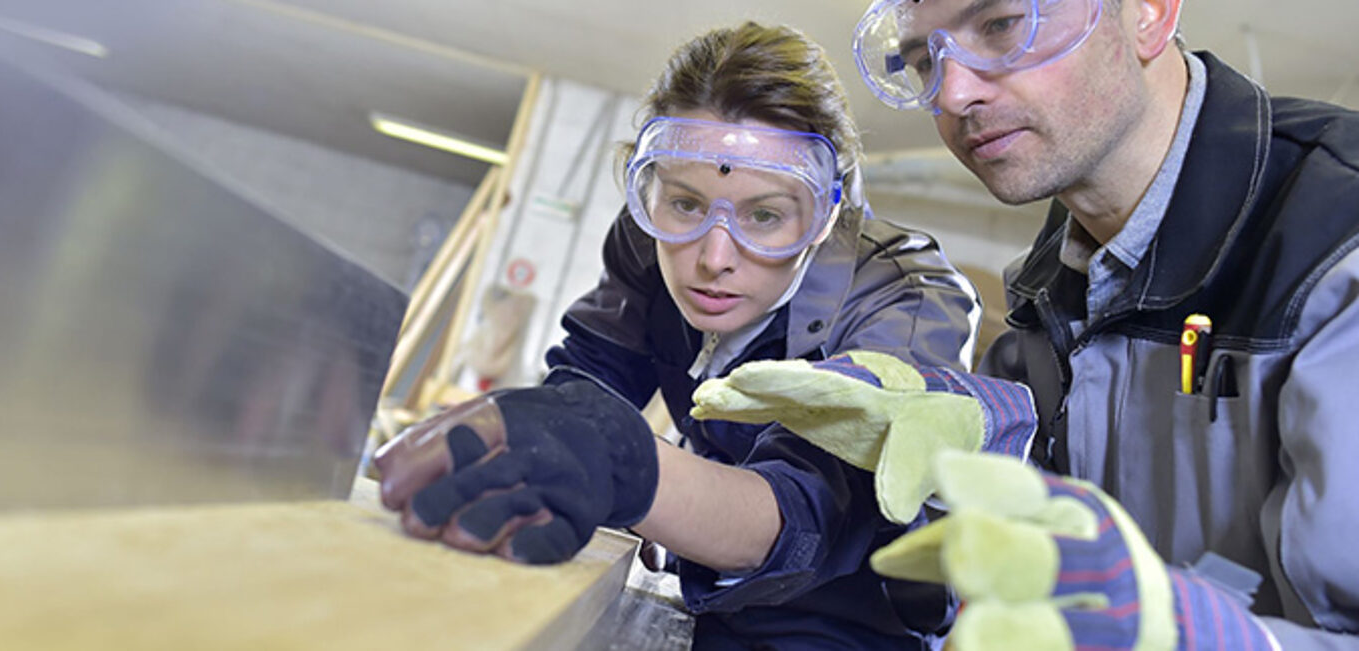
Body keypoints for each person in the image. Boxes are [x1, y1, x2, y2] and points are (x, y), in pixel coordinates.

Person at [372, 22, 1025, 648]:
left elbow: (804, 514)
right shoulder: (652, 242)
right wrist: (556, 452)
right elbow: (591, 380)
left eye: (765, 216)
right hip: (705, 589)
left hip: (850, 622)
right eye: (684, 203)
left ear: (827, 213)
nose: (714, 255)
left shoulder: (906, 302)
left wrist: (634, 471)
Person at [837, 0, 1359, 646]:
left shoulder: (1337, 250)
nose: (955, 93)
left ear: (1149, 13)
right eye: (924, 62)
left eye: (1001, 26)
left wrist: (1182, 629)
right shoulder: (1051, 286)